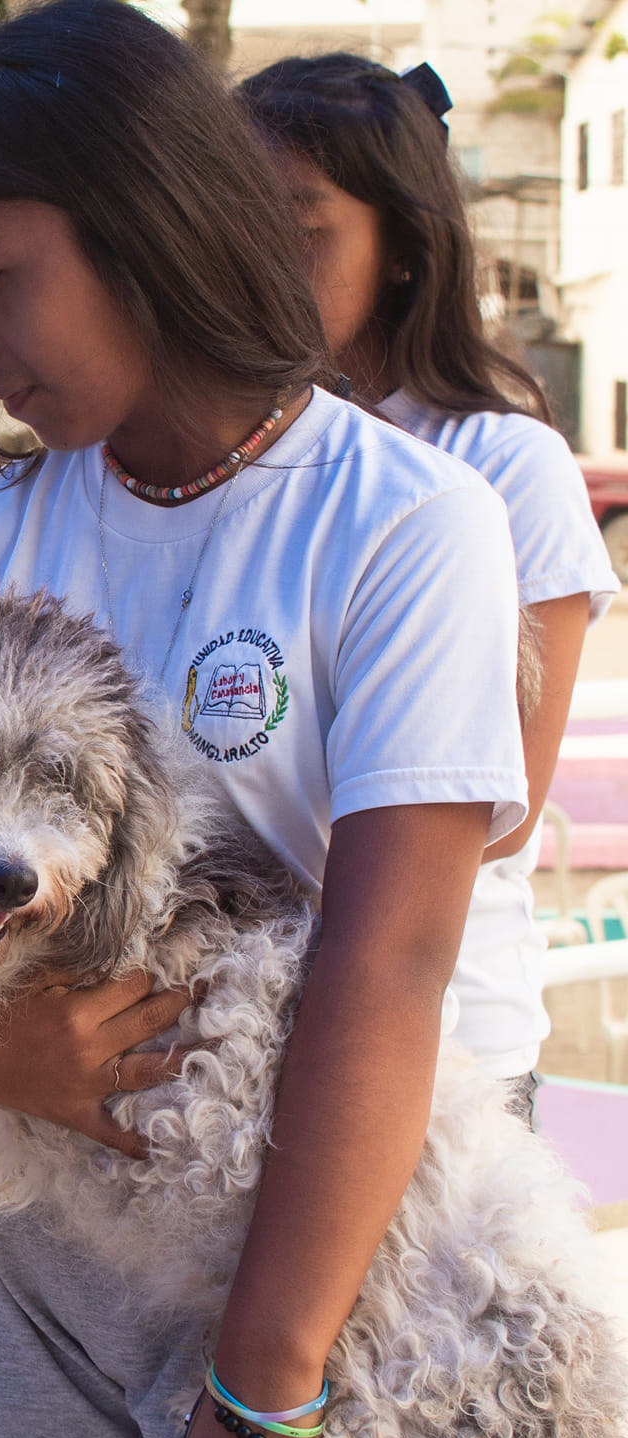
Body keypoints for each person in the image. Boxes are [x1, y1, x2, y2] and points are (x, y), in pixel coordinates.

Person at [0, 3, 528, 1438]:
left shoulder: (401, 527)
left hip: (293, 1270)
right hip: (7, 1264)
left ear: (142, 225)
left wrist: (265, 1400)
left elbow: (387, 970)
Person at [238, 54, 617, 1120]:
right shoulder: (229, 461)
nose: (256, 261)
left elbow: (502, 810)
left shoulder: (500, 467)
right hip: (234, 1042)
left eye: (299, 227)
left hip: (444, 1055)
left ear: (403, 249)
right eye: (232, 220)